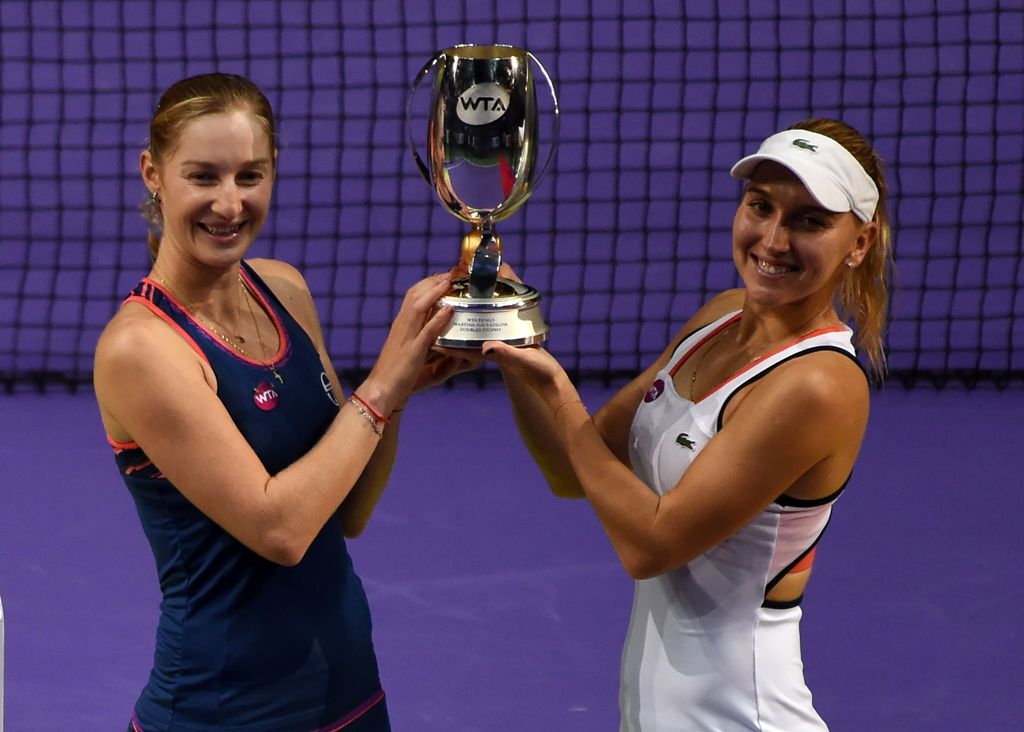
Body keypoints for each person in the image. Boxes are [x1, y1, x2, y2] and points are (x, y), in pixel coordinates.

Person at [93, 72, 473, 732]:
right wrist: (381, 385)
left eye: (250, 175)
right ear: (153, 173)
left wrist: (401, 391)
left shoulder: (284, 290)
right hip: (221, 712)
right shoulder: (141, 350)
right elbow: (282, 530)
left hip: (350, 694)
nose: (230, 204)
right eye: (203, 177)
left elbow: (344, 510)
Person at [484, 118, 892, 731]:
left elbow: (651, 544)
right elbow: (578, 470)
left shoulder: (820, 383)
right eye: (761, 207)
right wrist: (513, 345)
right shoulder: (720, 318)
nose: (774, 240)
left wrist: (556, 388)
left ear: (858, 242)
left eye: (809, 221)